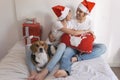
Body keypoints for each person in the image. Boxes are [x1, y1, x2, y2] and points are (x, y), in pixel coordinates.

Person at [26, 5, 83, 80]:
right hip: (49, 45)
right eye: (69, 14)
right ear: (65, 15)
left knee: (63, 45)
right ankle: (33, 72)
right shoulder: (57, 23)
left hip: (58, 46)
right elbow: (73, 32)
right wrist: (49, 34)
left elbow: (75, 31)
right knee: (28, 47)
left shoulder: (70, 24)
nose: (71, 15)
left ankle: (45, 71)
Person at [54, 0, 107, 78]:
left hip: (84, 46)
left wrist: (92, 37)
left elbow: (91, 34)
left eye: (80, 11)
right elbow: (63, 29)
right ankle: (64, 70)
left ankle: (78, 58)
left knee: (103, 47)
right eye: (77, 10)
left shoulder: (90, 22)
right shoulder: (71, 21)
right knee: (66, 54)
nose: (77, 13)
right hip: (73, 46)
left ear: (85, 14)